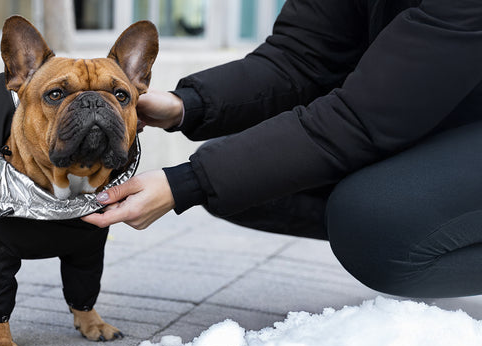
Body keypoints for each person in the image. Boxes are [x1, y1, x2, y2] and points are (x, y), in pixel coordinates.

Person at [82, 0, 482, 298]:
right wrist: (186, 105)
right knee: (245, 180)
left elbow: (360, 120)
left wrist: (186, 182)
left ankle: (404, 229)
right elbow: (298, 59)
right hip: (441, 110)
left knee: (376, 224)